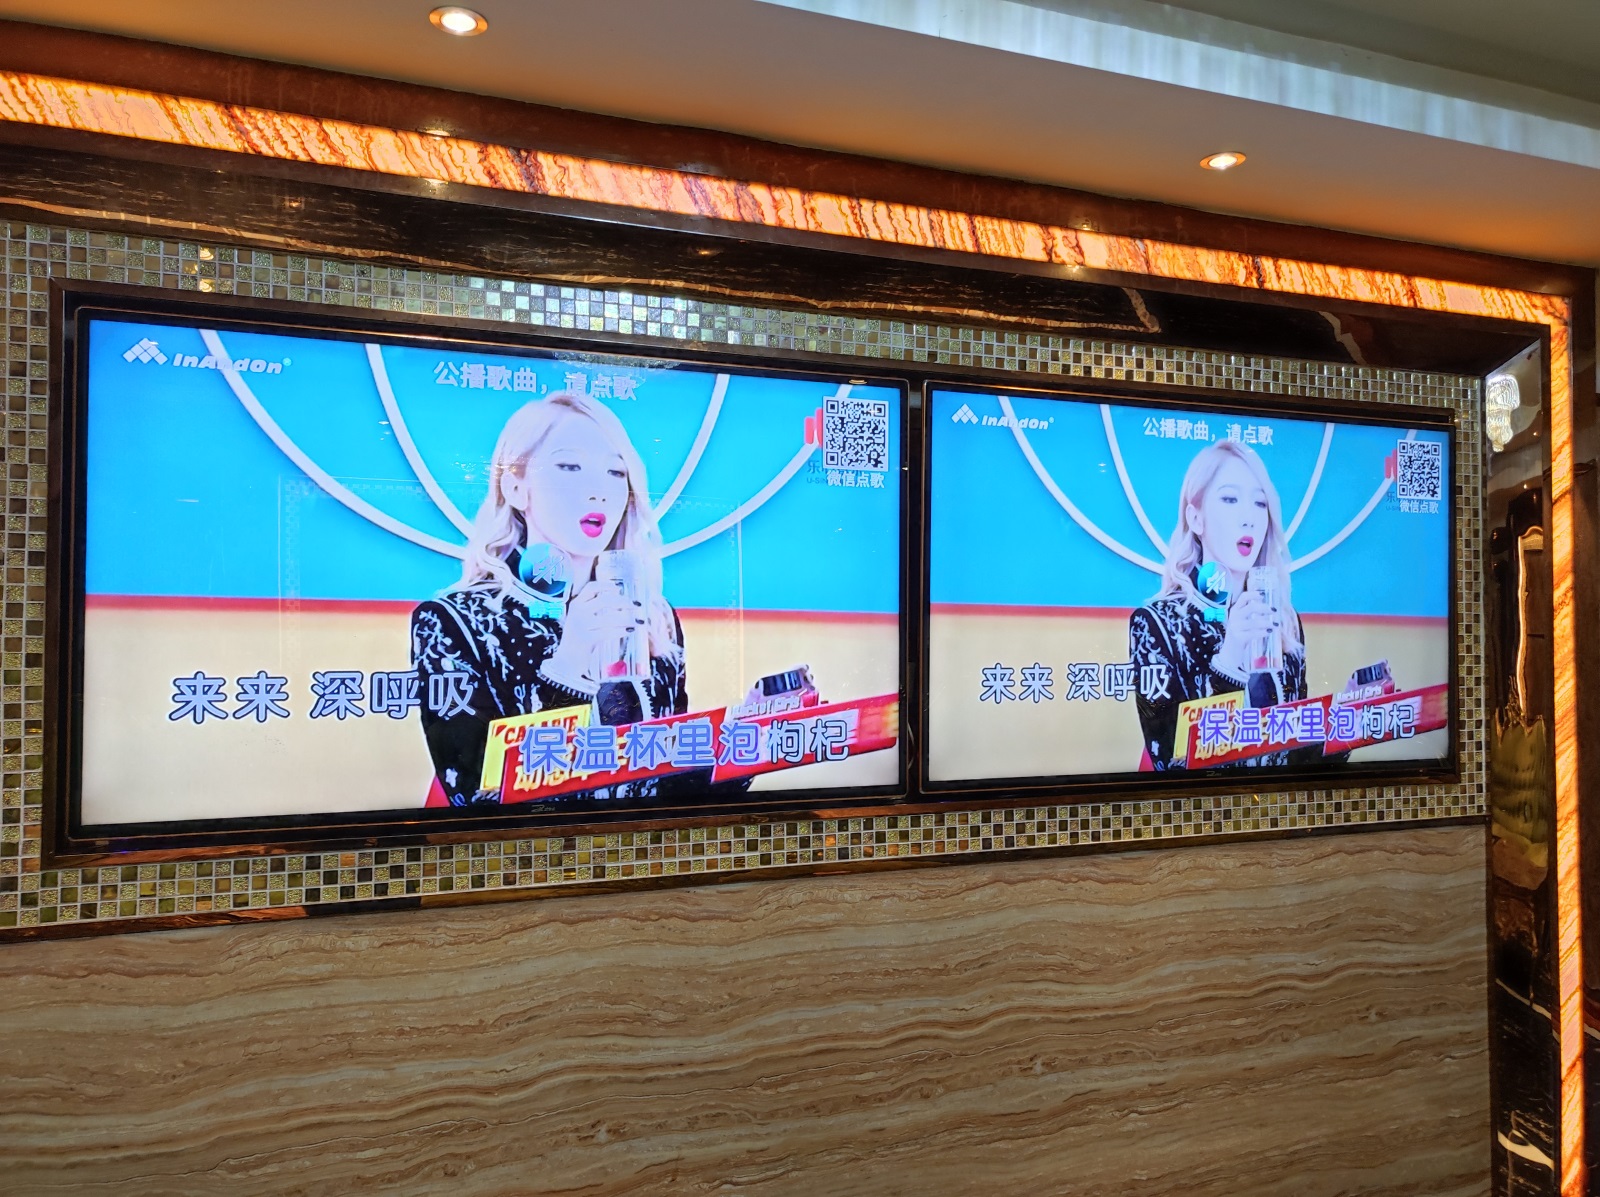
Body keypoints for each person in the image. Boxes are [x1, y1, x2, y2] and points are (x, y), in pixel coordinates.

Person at [411, 390, 688, 805]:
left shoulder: (654, 616)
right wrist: (569, 668)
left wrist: (757, 727)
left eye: (615, 472)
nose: (598, 491)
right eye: (569, 466)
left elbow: (674, 788)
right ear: (516, 487)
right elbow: (471, 791)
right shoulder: (455, 621)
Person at [1128, 438, 1306, 770]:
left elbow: (1295, 757)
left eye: (1260, 503)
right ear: (1196, 518)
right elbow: (1169, 760)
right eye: (1229, 499)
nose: (1249, 518)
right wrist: (1231, 656)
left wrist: (1352, 717)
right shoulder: (1156, 624)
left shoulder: (1284, 620)